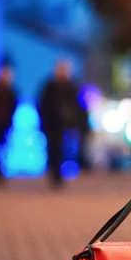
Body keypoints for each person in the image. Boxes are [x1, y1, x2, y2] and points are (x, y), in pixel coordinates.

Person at [38, 60, 86, 188]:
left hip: (65, 126)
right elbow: (43, 105)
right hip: (51, 125)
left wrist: (75, 124)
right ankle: (53, 173)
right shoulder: (49, 87)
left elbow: (78, 108)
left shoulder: (72, 87)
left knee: (63, 150)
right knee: (52, 149)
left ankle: (59, 176)